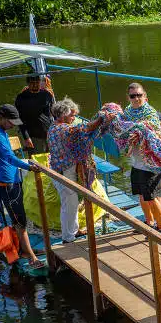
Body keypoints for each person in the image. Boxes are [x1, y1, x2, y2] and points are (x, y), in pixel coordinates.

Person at [0, 104, 44, 269]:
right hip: (7, 186)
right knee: (19, 221)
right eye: (10, 121)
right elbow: (9, 157)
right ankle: (31, 257)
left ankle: (24, 250)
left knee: (20, 217)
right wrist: (29, 167)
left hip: (12, 182)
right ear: (1, 117)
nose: (13, 125)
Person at [47, 97, 106, 243]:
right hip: (63, 173)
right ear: (63, 115)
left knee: (71, 203)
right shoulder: (62, 129)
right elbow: (83, 129)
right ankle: (68, 238)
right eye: (72, 115)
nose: (74, 117)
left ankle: (73, 230)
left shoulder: (53, 126)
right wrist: (101, 119)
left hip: (61, 169)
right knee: (69, 204)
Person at [123, 82, 161, 235]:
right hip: (136, 162)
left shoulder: (151, 114)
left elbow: (160, 128)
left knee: (153, 197)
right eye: (133, 96)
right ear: (129, 97)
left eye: (139, 95)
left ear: (145, 97)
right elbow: (124, 134)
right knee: (142, 195)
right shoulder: (127, 114)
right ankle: (149, 223)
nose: (136, 98)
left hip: (151, 163)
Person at [15, 75, 55, 154]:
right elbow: (17, 119)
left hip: (49, 133)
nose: (35, 85)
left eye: (37, 82)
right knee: (37, 162)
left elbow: (53, 112)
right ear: (28, 83)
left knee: (52, 158)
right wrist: (26, 137)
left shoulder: (47, 94)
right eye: (32, 83)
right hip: (33, 136)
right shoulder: (21, 97)